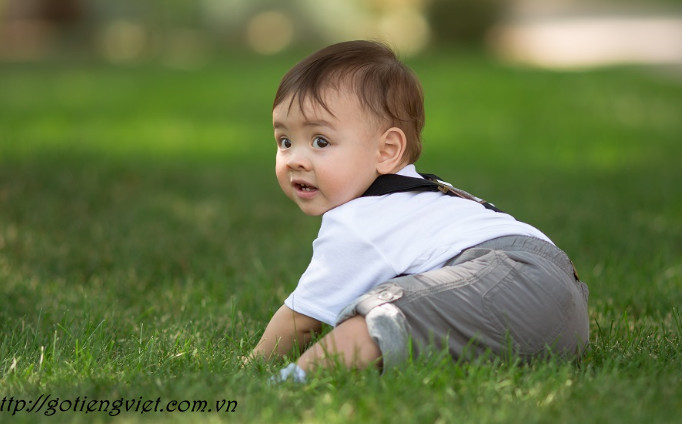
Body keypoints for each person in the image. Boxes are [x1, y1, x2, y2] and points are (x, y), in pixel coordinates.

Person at [248, 40, 589, 383]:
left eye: (321, 141)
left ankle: (289, 382)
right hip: (564, 299)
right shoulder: (417, 194)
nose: (295, 159)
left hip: (513, 277)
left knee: (379, 316)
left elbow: (301, 321)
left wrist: (253, 365)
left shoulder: (358, 221)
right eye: (284, 141)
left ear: (387, 151)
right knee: (423, 321)